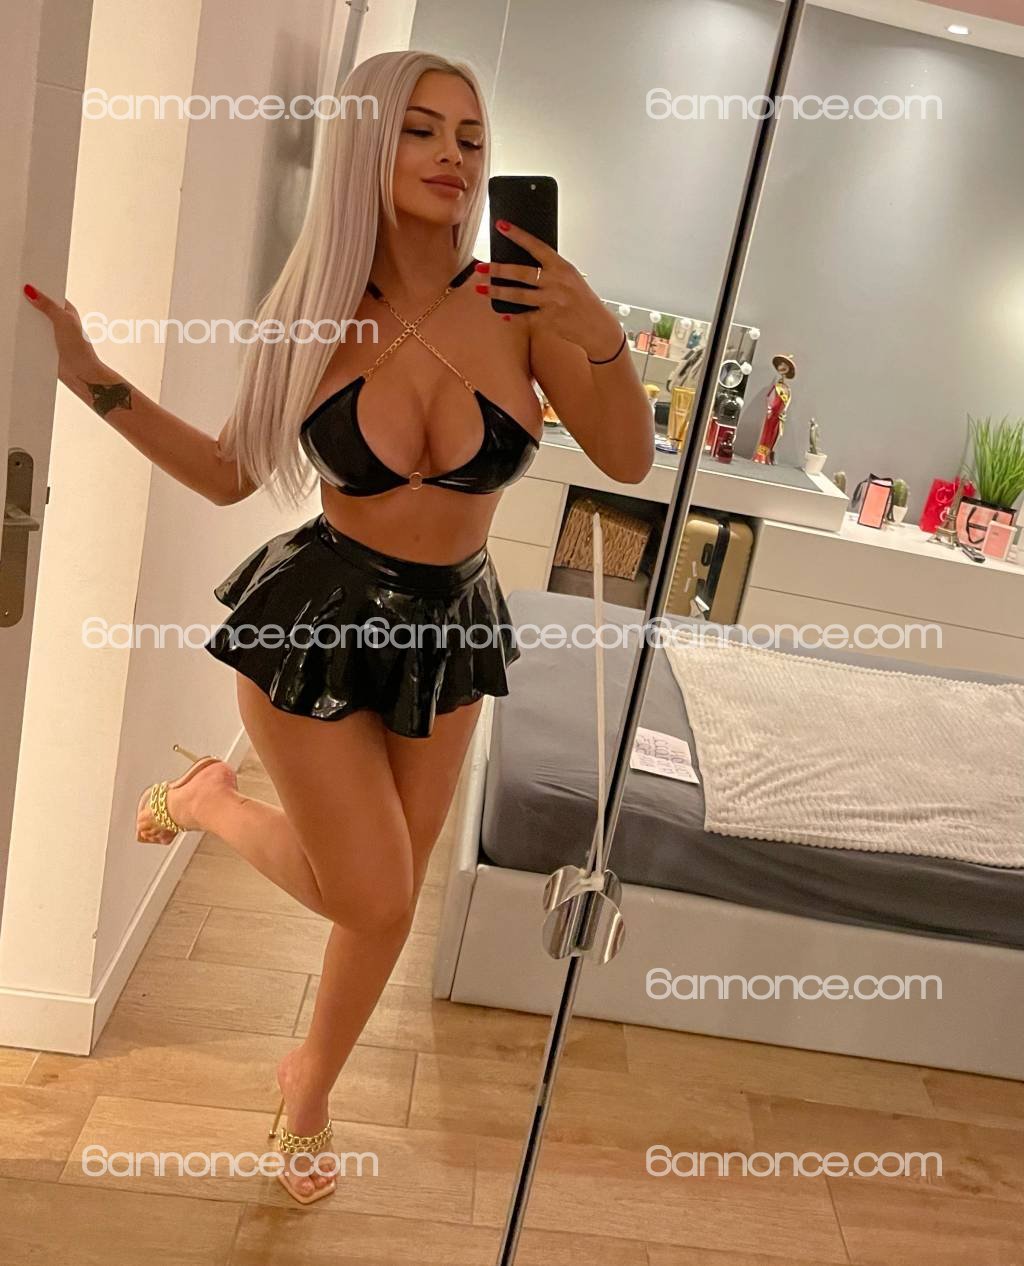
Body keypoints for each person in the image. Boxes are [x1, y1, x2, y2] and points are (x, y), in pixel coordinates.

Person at [23, 48, 653, 1206]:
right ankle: (211, 802)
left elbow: (625, 457)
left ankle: (307, 1086)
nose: (452, 156)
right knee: (377, 895)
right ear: (368, 141)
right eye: (421, 129)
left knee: (383, 899)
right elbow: (229, 473)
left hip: (451, 627)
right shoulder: (312, 312)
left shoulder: (519, 308)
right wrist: (92, 380)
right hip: (314, 617)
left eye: (470, 136)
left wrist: (595, 327)